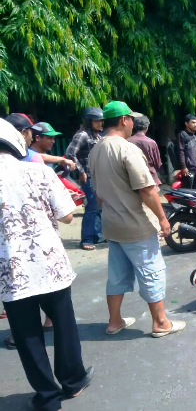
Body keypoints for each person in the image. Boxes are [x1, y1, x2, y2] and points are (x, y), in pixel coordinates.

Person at [0, 117, 93, 411]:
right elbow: (66, 216)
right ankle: (73, 381)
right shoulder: (38, 171)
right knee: (64, 324)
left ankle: (48, 397)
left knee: (28, 337)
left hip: (12, 272)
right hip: (49, 263)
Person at [88, 101, 186, 338]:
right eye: (131, 119)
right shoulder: (126, 149)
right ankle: (161, 322)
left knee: (117, 274)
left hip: (112, 224)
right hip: (135, 225)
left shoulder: (96, 150)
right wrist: (163, 218)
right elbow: (147, 189)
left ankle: (114, 321)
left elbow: (98, 194)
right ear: (124, 120)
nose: (133, 123)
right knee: (151, 270)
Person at [65, 108, 104, 251]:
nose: (101, 123)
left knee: (99, 207)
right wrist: (81, 171)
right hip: (89, 177)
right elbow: (70, 153)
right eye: (97, 121)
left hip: (99, 177)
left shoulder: (97, 136)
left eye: (101, 121)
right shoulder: (82, 135)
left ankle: (98, 236)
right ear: (89, 121)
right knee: (92, 208)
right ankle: (86, 239)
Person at [127, 115, 162, 186]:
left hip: (132, 176)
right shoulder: (151, 142)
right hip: (150, 176)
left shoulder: (127, 141)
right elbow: (158, 163)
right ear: (147, 128)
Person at [177, 114, 196, 189]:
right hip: (189, 168)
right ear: (186, 123)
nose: (195, 125)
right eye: (193, 122)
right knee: (188, 191)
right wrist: (183, 167)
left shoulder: (195, 137)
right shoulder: (182, 135)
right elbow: (181, 152)